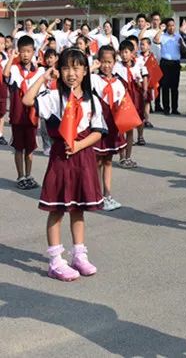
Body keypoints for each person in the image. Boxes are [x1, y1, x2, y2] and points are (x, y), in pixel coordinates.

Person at [22, 49, 106, 281]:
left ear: (85, 71)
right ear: (59, 71)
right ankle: (56, 261)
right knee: (57, 208)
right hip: (61, 158)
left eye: (77, 67)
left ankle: (79, 254)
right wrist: (43, 77)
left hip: (83, 157)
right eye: (66, 68)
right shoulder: (53, 97)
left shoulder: (92, 100)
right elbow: (27, 100)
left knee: (78, 208)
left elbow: (99, 132)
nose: (71, 73)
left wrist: (79, 146)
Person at [2, 35, 46, 189]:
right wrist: (10, 57)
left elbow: (42, 93)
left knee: (30, 148)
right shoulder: (14, 69)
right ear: (18, 52)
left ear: (33, 51)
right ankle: (20, 176)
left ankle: (29, 174)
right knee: (19, 148)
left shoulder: (39, 72)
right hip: (17, 116)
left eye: (28, 51)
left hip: (32, 116)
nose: (25, 54)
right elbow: (5, 75)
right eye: (22, 52)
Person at [91, 46, 127, 212]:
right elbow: (82, 80)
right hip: (99, 125)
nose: (106, 65)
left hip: (113, 125)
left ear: (115, 62)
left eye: (109, 62)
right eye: (103, 62)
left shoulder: (118, 82)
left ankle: (108, 194)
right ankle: (96, 195)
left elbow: (123, 105)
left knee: (108, 161)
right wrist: (93, 67)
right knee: (97, 160)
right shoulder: (94, 79)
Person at [114, 40, 148, 168]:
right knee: (120, 130)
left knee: (129, 130)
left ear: (132, 53)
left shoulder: (137, 65)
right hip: (121, 101)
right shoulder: (117, 67)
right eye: (122, 52)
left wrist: (141, 86)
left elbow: (142, 80)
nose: (124, 55)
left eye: (126, 52)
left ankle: (128, 157)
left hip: (134, 100)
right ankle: (122, 157)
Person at [154, 19, 184, 115]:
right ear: (167, 27)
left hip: (175, 63)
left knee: (175, 87)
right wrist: (160, 30)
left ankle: (175, 108)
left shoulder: (178, 36)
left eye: (173, 25)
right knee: (165, 87)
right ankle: (166, 108)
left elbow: (184, 50)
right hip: (165, 63)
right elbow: (155, 40)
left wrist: (181, 43)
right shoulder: (163, 36)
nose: (171, 27)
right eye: (169, 25)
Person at [39, 49, 59, 156]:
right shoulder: (42, 70)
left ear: (56, 58)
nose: (49, 60)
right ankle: (46, 146)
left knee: (55, 124)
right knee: (43, 125)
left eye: (51, 57)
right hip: (45, 99)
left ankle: (55, 145)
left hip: (56, 101)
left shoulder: (59, 70)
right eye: (47, 58)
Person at [0, 33, 8, 145]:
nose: (2, 45)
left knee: (1, 113)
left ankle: (0, 134)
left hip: (2, 88)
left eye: (3, 43)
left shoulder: (6, 57)